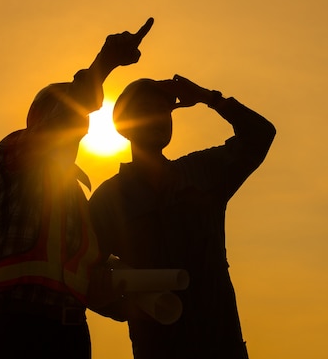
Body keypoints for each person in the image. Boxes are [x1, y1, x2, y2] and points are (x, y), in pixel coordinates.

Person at [0, 18, 154, 359]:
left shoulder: (74, 199)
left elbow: (85, 278)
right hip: (19, 329)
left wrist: (136, 295)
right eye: (70, 117)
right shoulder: (17, 155)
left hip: (69, 334)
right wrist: (104, 63)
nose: (78, 131)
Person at [89, 75, 276, 359]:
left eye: (164, 110)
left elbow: (260, 134)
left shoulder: (203, 172)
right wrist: (128, 309)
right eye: (146, 111)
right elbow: (84, 275)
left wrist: (208, 97)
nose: (159, 118)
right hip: (158, 348)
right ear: (124, 126)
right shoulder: (108, 200)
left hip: (222, 345)